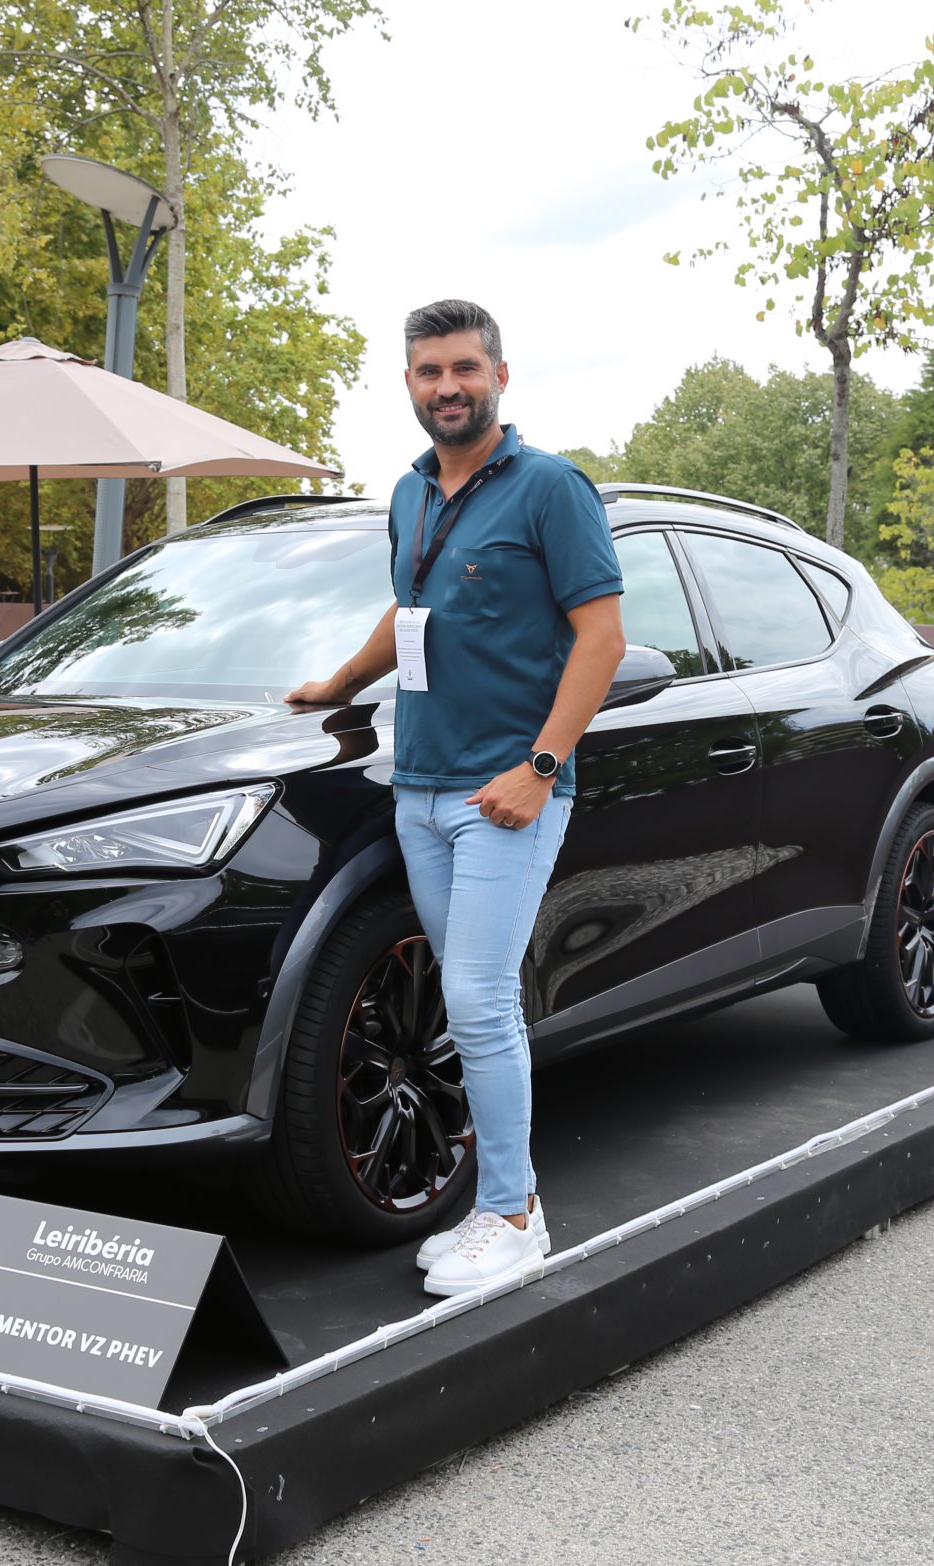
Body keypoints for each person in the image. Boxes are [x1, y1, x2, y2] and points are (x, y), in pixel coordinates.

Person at [287, 298, 625, 1298]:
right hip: (418, 787)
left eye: (465, 368)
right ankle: (503, 1207)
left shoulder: (550, 489)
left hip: (502, 796)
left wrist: (542, 767)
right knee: (466, 1000)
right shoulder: (409, 494)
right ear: (408, 384)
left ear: (499, 377)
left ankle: (513, 1214)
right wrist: (343, 682)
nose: (448, 387)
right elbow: (413, 607)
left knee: (477, 1001)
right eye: (430, 371)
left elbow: (600, 638)